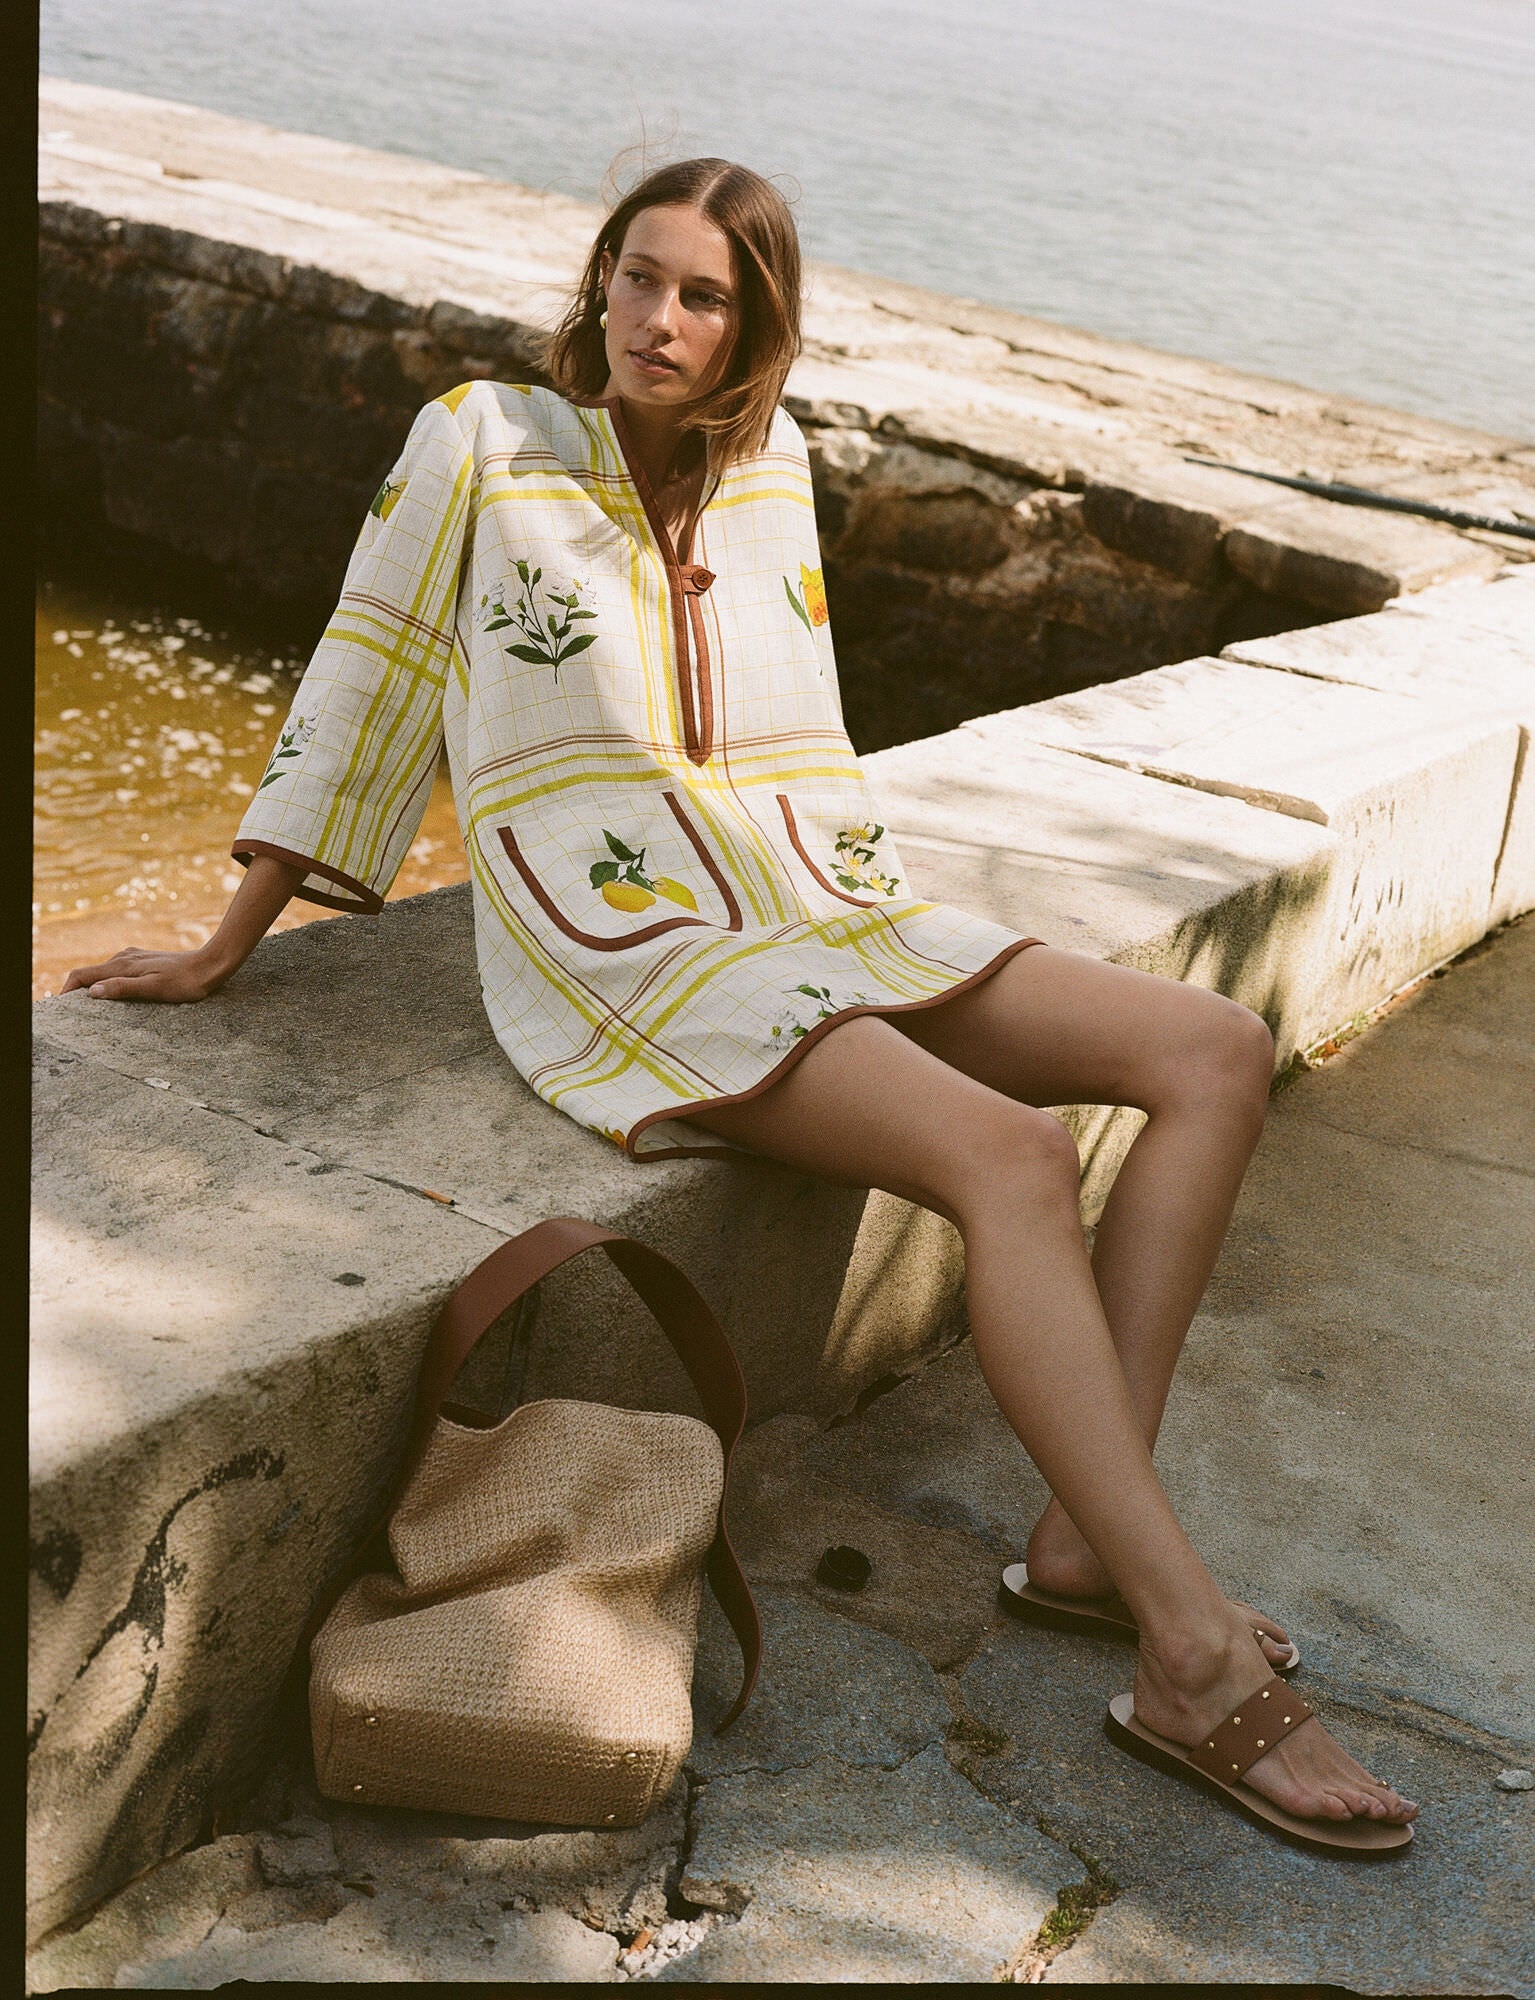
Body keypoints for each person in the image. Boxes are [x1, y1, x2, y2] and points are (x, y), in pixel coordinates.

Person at [64, 157, 1416, 1854]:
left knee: (1212, 1048)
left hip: (816, 899)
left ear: (753, 326)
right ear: (600, 282)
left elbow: (796, 742)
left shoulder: (774, 470)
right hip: (633, 943)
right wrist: (226, 941)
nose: (657, 319)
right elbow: (371, 672)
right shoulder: (483, 440)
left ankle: (1088, 1540)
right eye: (637, 278)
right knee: (1007, 1158)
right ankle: (1189, 1651)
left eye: (702, 296)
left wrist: (851, 915)